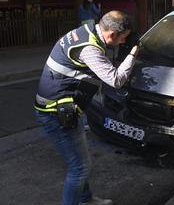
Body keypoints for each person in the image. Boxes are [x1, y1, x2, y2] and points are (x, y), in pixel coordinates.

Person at [34, 11, 139, 205]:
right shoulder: (90, 48)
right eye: (123, 39)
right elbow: (115, 80)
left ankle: (86, 199)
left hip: (61, 108)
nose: (123, 43)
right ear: (111, 35)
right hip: (56, 114)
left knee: (79, 162)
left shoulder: (86, 31)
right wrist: (133, 54)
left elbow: (99, 67)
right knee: (79, 167)